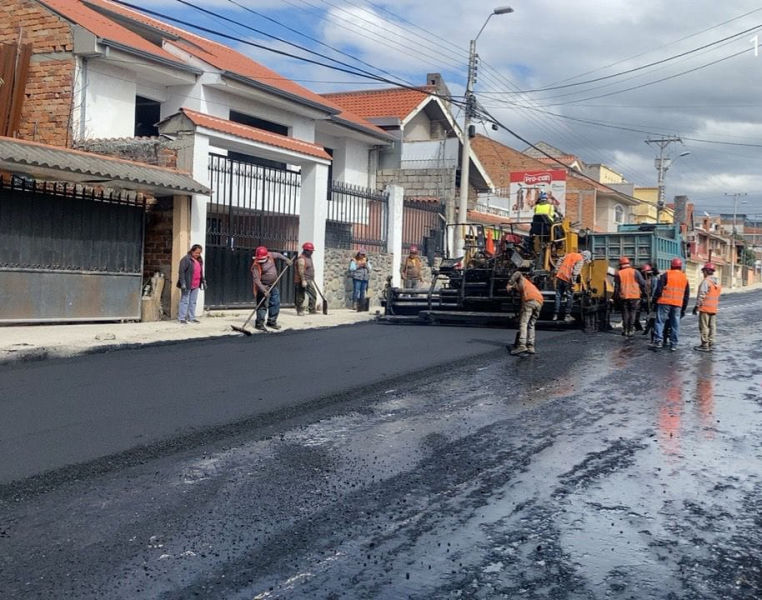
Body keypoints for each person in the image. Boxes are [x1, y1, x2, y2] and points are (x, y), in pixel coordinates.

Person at [650, 257, 690, 351]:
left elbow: (659, 290)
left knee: (660, 322)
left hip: (664, 302)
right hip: (677, 304)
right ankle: (674, 344)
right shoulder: (684, 278)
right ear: (680, 267)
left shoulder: (666, 275)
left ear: (671, 266)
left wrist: (654, 301)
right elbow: (686, 295)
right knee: (675, 324)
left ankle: (658, 341)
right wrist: (683, 308)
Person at [251, 246, 292, 332]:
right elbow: (256, 280)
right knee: (262, 305)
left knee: (275, 303)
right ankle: (259, 323)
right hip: (263, 286)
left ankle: (271, 321)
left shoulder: (270, 255)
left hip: (273, 285)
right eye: (259, 259)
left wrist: (286, 260)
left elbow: (278, 255)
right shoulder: (255, 266)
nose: (261, 261)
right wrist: (264, 290)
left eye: (263, 259)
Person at [506, 271, 544, 355]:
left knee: (523, 323)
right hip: (539, 302)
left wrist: (509, 283)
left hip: (530, 300)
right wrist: (520, 315)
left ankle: (522, 345)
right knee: (531, 324)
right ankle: (531, 346)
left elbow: (518, 273)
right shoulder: (530, 286)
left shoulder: (522, 280)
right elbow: (523, 306)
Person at [553, 250, 592, 322]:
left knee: (558, 296)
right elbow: (575, 273)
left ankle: (555, 315)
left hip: (560, 276)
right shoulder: (580, 260)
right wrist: (573, 284)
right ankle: (567, 315)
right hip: (567, 279)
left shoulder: (570, 254)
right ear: (585, 257)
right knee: (569, 297)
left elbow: (560, 260)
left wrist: (556, 270)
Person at [614, 256, 646, 338]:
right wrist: (644, 293)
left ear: (620, 264)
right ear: (629, 263)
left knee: (625, 313)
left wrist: (615, 297)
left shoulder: (619, 273)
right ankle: (631, 330)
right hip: (634, 296)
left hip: (623, 296)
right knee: (633, 312)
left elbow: (616, 287)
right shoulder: (635, 272)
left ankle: (625, 330)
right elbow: (642, 283)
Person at [693, 262, 721, 352]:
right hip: (713, 308)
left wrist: (696, 306)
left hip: (705, 308)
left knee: (704, 326)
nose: (703, 273)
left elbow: (702, 295)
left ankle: (705, 344)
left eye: (703, 271)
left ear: (706, 271)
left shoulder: (706, 282)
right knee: (712, 326)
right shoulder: (717, 283)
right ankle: (711, 342)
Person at [177, 244, 206, 324]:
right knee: (185, 300)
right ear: (192, 251)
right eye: (196, 252)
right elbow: (181, 272)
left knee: (193, 301)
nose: (197, 254)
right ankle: (181, 318)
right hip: (187, 283)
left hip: (196, 284)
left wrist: (203, 281)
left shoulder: (199, 260)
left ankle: (191, 317)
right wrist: (183, 282)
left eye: (199, 253)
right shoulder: (186, 259)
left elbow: (200, 272)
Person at [295, 242, 317, 316]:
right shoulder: (302, 259)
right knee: (300, 296)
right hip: (303, 280)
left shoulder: (309, 257)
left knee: (313, 294)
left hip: (309, 279)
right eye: (310, 251)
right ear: (306, 250)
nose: (311, 252)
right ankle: (299, 310)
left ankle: (312, 309)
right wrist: (303, 280)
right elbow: (301, 270)